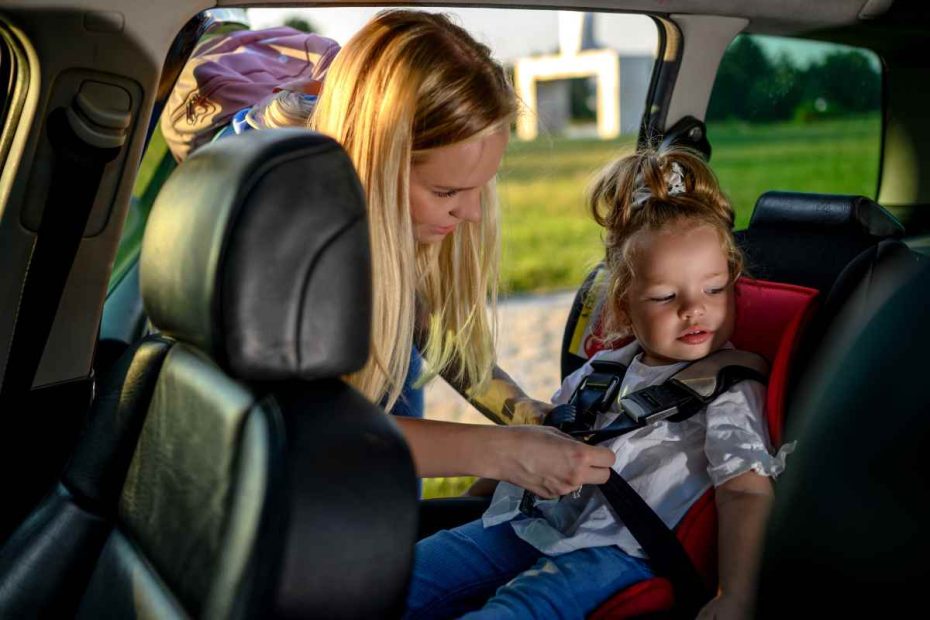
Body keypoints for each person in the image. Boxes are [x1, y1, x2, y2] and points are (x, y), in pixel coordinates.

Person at [165, 10, 614, 497]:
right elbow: (301, 434)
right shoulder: (291, 254)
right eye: (446, 192)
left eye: (480, 189)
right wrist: (505, 452)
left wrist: (523, 411)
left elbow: (424, 326)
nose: (473, 215)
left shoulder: (380, 219)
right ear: (378, 165)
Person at [404, 146, 795, 619]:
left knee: (514, 610)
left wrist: (735, 595)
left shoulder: (729, 389)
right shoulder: (603, 369)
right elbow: (544, 439)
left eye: (714, 289)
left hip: (617, 549)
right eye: (665, 296)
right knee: (406, 574)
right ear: (625, 305)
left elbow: (745, 491)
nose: (694, 308)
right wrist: (476, 503)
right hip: (536, 520)